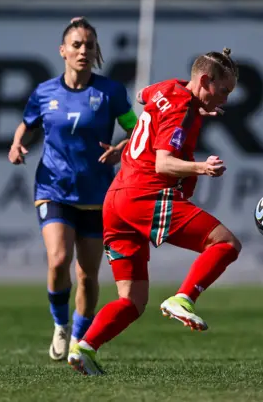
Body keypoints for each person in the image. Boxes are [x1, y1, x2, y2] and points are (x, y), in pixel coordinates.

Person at [67, 47, 241, 376]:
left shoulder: (165, 88)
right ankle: (184, 298)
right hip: (143, 194)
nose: (226, 100)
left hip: (116, 199)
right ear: (205, 81)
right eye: (223, 91)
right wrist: (201, 167)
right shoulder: (183, 108)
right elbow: (163, 162)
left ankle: (84, 348)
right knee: (225, 244)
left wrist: (125, 145)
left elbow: (147, 106)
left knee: (132, 300)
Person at [8, 17, 138, 362]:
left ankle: (80, 337)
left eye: (89, 44)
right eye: (77, 44)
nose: (83, 50)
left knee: (87, 275)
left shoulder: (110, 92)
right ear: (63, 51)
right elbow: (26, 124)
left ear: (96, 51)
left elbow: (138, 132)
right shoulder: (45, 92)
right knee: (59, 259)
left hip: (96, 195)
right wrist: (17, 144)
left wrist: (121, 148)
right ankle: (60, 325)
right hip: (53, 187)